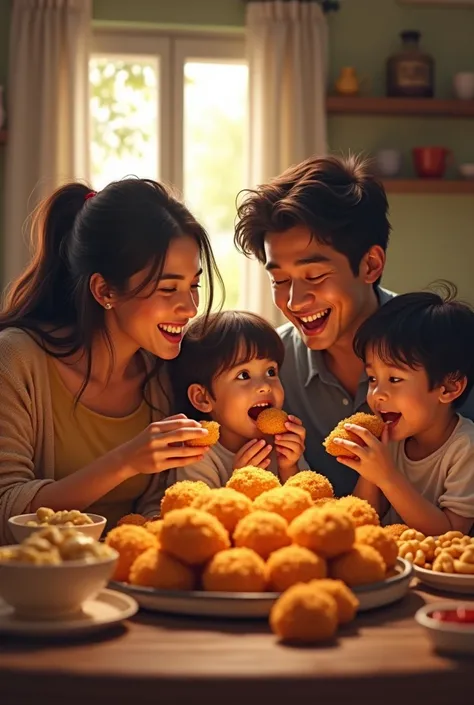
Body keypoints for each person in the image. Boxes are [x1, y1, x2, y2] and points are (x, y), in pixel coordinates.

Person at [0, 178, 222, 543]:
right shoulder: (16, 361)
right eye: (168, 288)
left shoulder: (162, 375)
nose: (190, 308)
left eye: (193, 285)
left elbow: (157, 504)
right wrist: (126, 461)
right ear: (104, 290)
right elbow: (7, 514)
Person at [234, 154, 392, 496]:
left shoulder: (445, 347)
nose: (294, 302)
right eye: (279, 281)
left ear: (370, 264)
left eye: (315, 275)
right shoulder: (267, 369)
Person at [331, 287, 474, 536]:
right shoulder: (393, 440)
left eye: (395, 379)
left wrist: (387, 476)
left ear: (449, 387)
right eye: (373, 378)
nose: (376, 394)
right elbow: (361, 517)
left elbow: (451, 532)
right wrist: (370, 472)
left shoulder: (465, 449)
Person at [168, 310, 307, 488]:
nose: (265, 385)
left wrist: (289, 468)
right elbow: (199, 513)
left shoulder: (282, 444)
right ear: (203, 398)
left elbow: (306, 505)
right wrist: (240, 483)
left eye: (270, 371)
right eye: (243, 375)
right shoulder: (197, 454)